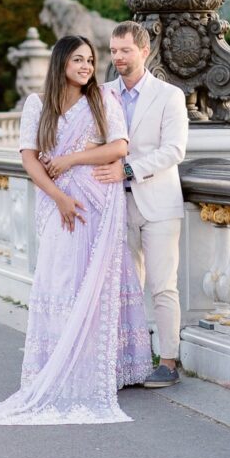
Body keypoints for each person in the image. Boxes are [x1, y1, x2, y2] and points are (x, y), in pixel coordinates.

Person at [0, 35, 151, 426]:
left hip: (97, 202)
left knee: (95, 281)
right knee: (61, 278)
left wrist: (70, 159)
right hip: (58, 203)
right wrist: (58, 196)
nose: (86, 66)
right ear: (60, 62)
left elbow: (118, 148)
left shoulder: (102, 100)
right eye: (78, 59)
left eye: (90, 60)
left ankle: (103, 367)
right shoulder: (38, 105)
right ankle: (60, 362)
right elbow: (29, 158)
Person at [93, 22, 189, 387]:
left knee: (163, 286)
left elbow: (174, 150)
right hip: (115, 205)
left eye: (124, 51)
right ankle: (130, 362)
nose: (117, 57)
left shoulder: (169, 96)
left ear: (144, 51)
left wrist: (128, 169)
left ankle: (168, 361)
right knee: (125, 288)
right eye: (113, 51)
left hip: (158, 204)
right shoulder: (102, 95)